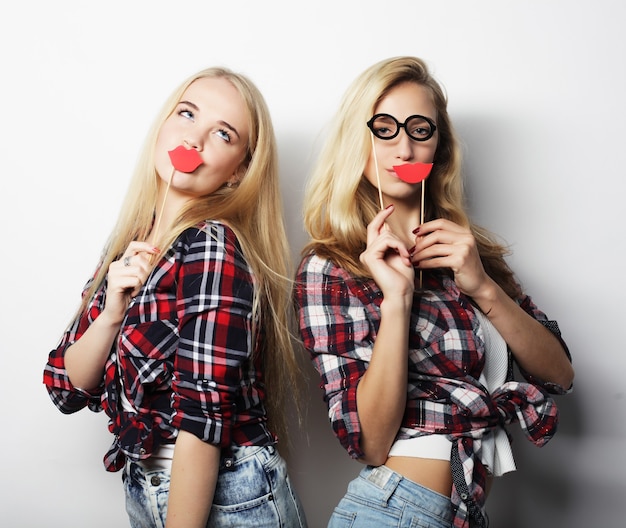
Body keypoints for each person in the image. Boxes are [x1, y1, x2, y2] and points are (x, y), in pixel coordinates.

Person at [294, 56, 574, 528]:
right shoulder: (330, 266)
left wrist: (482, 285)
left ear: (438, 148)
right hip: (394, 510)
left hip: (461, 513)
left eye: (420, 129)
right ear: (357, 142)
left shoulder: (470, 252)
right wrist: (397, 303)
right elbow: (372, 443)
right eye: (384, 128)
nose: (404, 146)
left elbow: (559, 375)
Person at [44, 66, 307, 528]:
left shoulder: (213, 244)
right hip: (147, 486)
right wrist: (110, 314)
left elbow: (202, 423)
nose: (194, 140)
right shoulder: (129, 242)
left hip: (226, 494)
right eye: (187, 114)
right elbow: (65, 388)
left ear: (240, 170)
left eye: (223, 134)